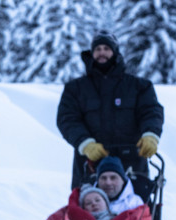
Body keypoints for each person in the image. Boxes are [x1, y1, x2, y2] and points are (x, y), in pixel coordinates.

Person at [57, 29, 165, 190]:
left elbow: (151, 112)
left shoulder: (139, 86)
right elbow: (67, 119)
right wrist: (85, 143)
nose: (102, 53)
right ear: (92, 53)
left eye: (106, 49)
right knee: (88, 211)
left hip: (132, 162)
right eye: (98, 49)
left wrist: (150, 135)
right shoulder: (76, 89)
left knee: (136, 211)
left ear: (115, 52)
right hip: (90, 162)